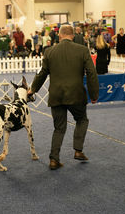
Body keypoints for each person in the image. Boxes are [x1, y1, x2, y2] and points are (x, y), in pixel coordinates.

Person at [28, 25, 99, 170]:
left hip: (56, 95)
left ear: (59, 36)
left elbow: (42, 73)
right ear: (73, 36)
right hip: (76, 94)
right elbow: (92, 73)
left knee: (59, 128)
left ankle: (54, 160)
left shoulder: (49, 51)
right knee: (82, 120)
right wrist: (94, 94)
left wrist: (32, 89)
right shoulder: (82, 50)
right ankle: (78, 150)